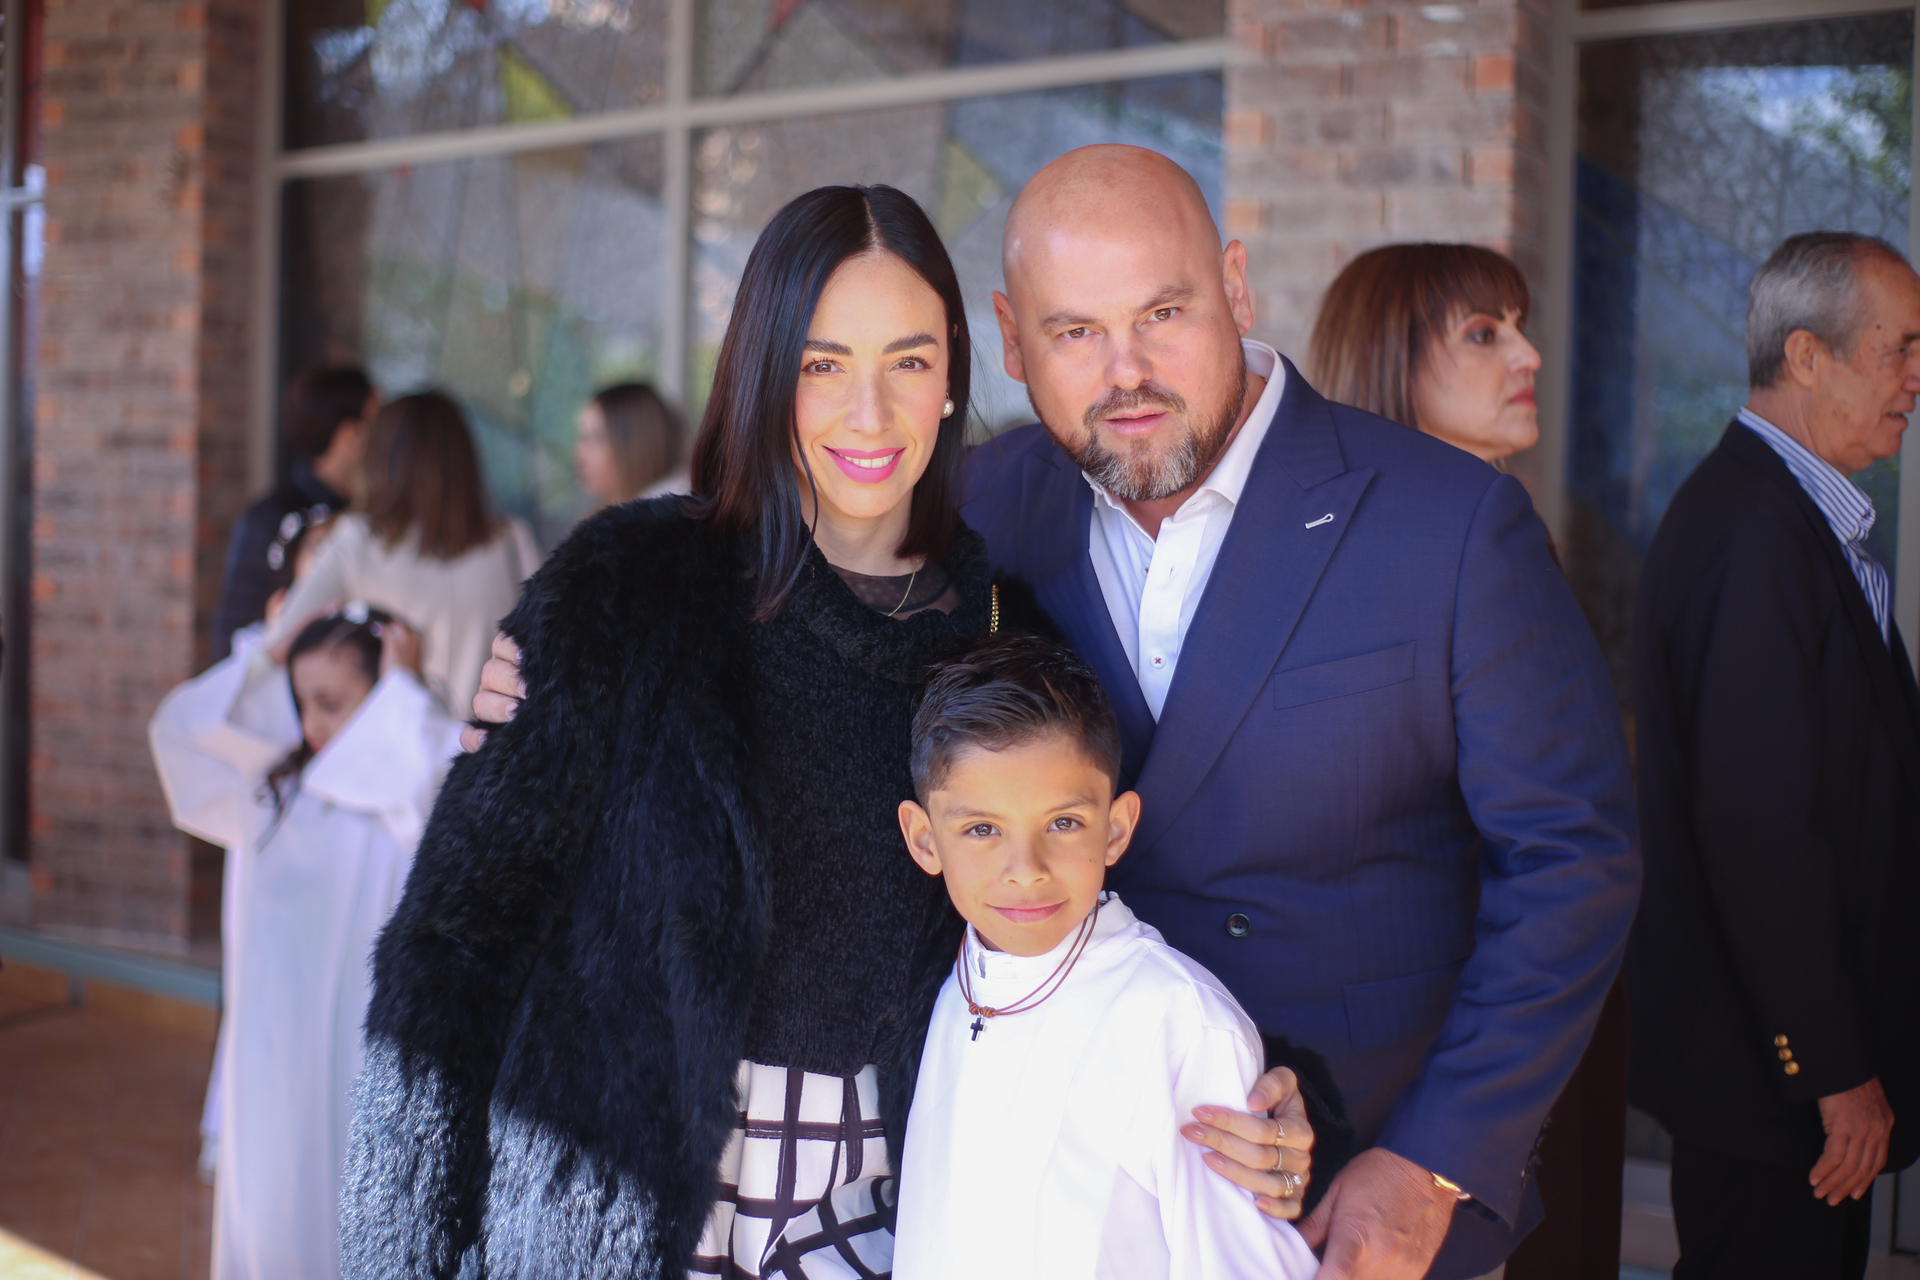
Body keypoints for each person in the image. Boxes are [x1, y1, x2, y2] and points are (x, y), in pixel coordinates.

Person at [467, 148, 1640, 1278]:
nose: (1127, 370)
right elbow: (796, 597)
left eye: (1164, 312)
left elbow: (1571, 859)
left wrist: (1434, 1159)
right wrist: (575, 658)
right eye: (1076, 331)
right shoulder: (984, 509)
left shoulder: (1450, 524)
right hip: (1027, 1194)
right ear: (1014, 340)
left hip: (1347, 1205)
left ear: (1236, 287)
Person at [1309, 242, 1629, 1280]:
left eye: (1518, 326)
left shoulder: (1499, 530)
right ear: (1391, 359)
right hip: (1417, 1066)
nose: (1528, 354)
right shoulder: (1346, 552)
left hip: (1525, 1008)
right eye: (1485, 334)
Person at [1629, 231, 1920, 1280]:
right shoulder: (1754, 532)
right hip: (1775, 1088)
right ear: (1806, 354)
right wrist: (1833, 1070)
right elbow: (1761, 833)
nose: (1915, 378)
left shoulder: (1787, 518)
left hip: (1786, 1080)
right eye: (1899, 347)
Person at [876, 633, 1319, 1279]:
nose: (1025, 869)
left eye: (1063, 823)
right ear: (924, 840)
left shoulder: (1176, 1020)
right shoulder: (955, 982)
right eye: (982, 829)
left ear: (1115, 829)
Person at [149, 606, 463, 1280]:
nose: (312, 723)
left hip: (359, 1051)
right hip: (269, 1052)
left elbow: (438, 772)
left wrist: (405, 690)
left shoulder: (402, 804)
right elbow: (178, 735)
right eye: (300, 703)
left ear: (382, 694)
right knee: (268, 1207)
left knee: (345, 1206)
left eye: (332, 702)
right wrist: (264, 657)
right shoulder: (273, 793)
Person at [266, 391, 540, 714]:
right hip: (490, 740)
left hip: (397, 739)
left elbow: (279, 647)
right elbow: (544, 651)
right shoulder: (512, 540)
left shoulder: (357, 540)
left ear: (379, 459)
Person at [210, 366, 377, 662]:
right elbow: (231, 637)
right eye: (378, 423)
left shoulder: (369, 516)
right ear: (351, 434)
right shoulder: (269, 518)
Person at [573, 381, 688, 508]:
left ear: (637, 444)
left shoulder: (666, 513)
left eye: (596, 438)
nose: (580, 455)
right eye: (582, 439)